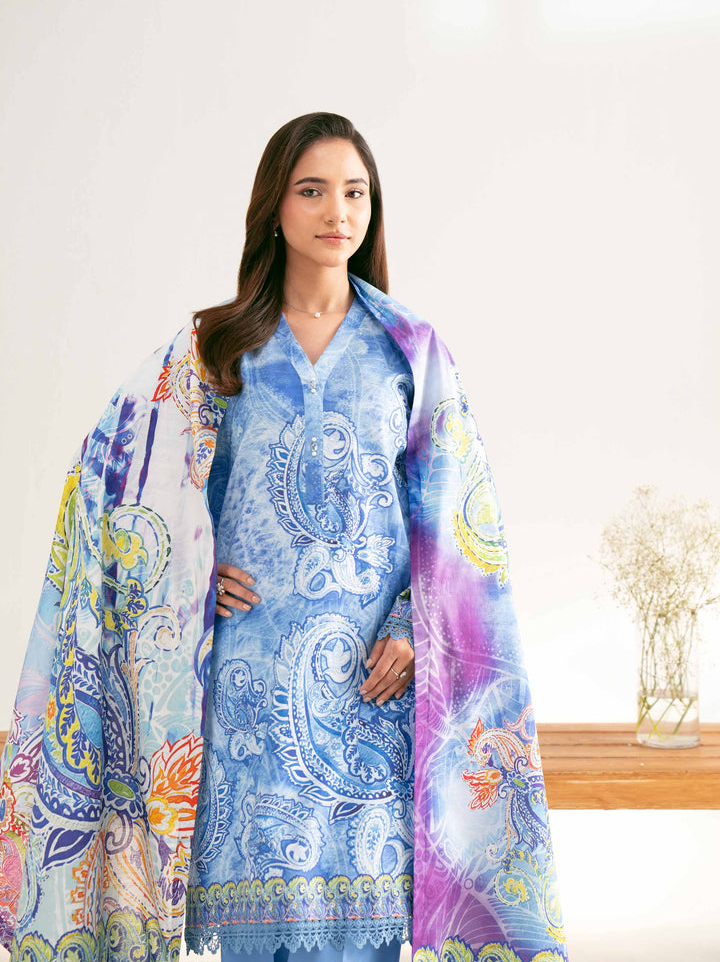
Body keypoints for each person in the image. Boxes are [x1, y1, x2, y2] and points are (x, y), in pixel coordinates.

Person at [0, 112, 569, 962]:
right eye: (313, 191)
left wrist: (413, 628)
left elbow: (461, 519)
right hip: (248, 691)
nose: (337, 211)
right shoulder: (214, 348)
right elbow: (112, 483)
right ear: (275, 206)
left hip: (374, 688)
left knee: (369, 931)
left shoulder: (411, 353)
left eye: (355, 192)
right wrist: (186, 573)